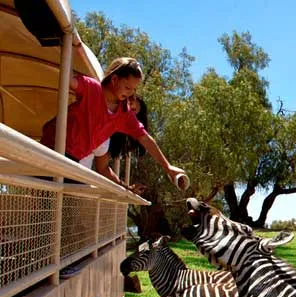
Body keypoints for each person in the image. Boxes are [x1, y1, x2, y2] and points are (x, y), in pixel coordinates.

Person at [40, 33, 189, 192]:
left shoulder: (124, 114)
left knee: (60, 210)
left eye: (133, 90)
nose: (130, 93)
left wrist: (167, 167)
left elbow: (145, 138)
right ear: (114, 79)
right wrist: (67, 45)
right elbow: (69, 80)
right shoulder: (92, 89)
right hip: (51, 151)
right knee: (42, 204)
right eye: (127, 87)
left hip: (73, 161)